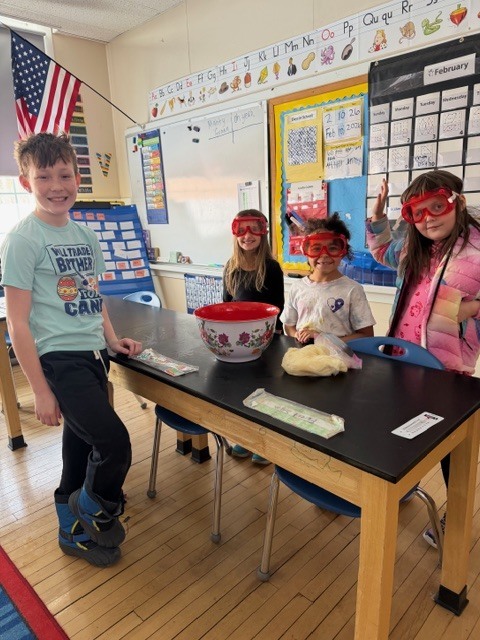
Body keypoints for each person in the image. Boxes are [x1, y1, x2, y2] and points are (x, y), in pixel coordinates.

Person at [0, 132, 142, 568]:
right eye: (44, 176)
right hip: (59, 360)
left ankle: (71, 530)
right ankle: (97, 505)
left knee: (81, 446)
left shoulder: (85, 235)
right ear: (26, 183)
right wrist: (41, 390)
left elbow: (91, 298)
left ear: (78, 177)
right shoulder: (24, 240)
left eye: (64, 174)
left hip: (91, 356)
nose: (56, 185)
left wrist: (111, 340)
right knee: (114, 443)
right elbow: (18, 323)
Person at [367, 169, 480, 549]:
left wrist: (474, 309)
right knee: (400, 428)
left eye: (438, 206)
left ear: (457, 202)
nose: (429, 217)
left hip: (448, 368)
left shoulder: (478, 247)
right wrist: (379, 217)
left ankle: (455, 515)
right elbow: (382, 250)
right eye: (418, 212)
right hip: (402, 358)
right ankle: (403, 483)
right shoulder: (413, 245)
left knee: (451, 448)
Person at [223, 209, 284, 464]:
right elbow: (225, 304)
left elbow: (277, 306)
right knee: (242, 393)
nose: (247, 236)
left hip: (266, 343)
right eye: (242, 230)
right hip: (239, 344)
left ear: (263, 232)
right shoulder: (231, 267)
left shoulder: (271, 267)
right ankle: (245, 439)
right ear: (235, 232)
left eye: (253, 229)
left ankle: (265, 444)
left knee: (265, 393)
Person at [280, 213, 375, 344]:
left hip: (338, 359)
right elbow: (289, 325)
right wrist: (297, 335)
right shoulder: (297, 288)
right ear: (305, 252)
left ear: (343, 251)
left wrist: (324, 339)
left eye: (333, 248)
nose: (324, 255)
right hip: (304, 356)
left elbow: (366, 335)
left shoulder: (353, 290)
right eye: (316, 249)